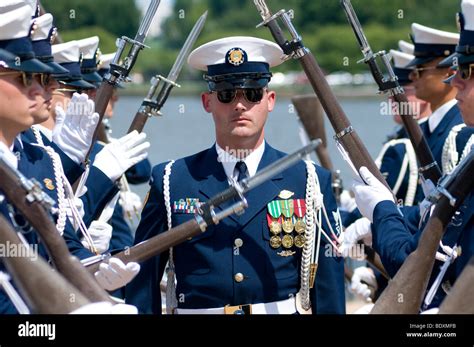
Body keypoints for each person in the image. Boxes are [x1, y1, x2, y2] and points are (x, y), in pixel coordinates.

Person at [126, 36, 345, 314]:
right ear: (207, 102)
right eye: (227, 95)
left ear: (270, 100)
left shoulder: (309, 180)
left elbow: (329, 290)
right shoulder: (172, 180)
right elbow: (143, 278)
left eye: (252, 93)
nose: (240, 105)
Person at [348, 0, 474, 311]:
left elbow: (422, 258)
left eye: (467, 70)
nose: (454, 79)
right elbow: (437, 225)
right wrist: (385, 218)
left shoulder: (460, 138)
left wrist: (383, 212)